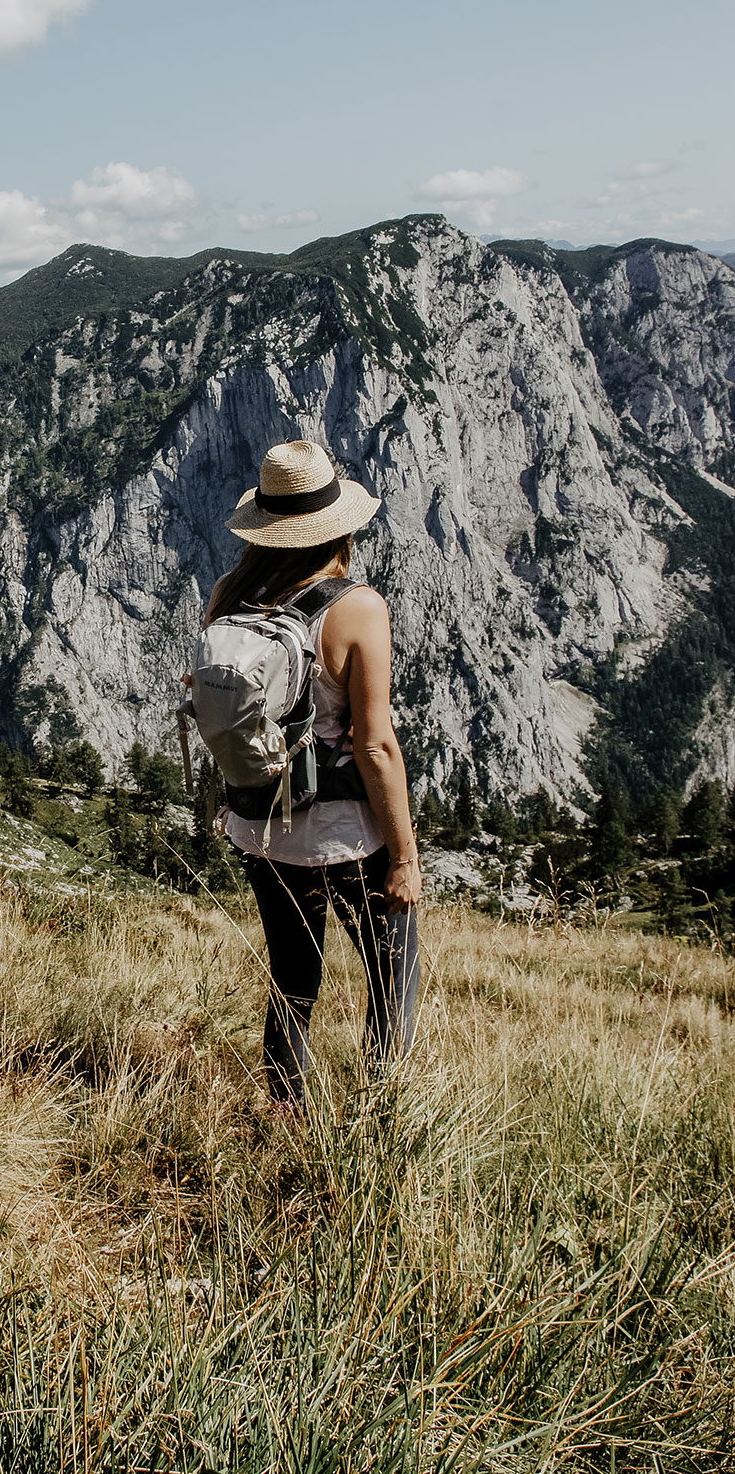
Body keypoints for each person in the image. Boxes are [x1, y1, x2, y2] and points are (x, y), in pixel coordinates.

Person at [209, 438, 421, 1109]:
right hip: (345, 837)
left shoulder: (230, 591)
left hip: (260, 826)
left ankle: (282, 1113)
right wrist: (405, 858)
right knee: (393, 977)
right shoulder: (356, 607)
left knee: (292, 981)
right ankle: (382, 1116)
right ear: (339, 527)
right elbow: (376, 744)